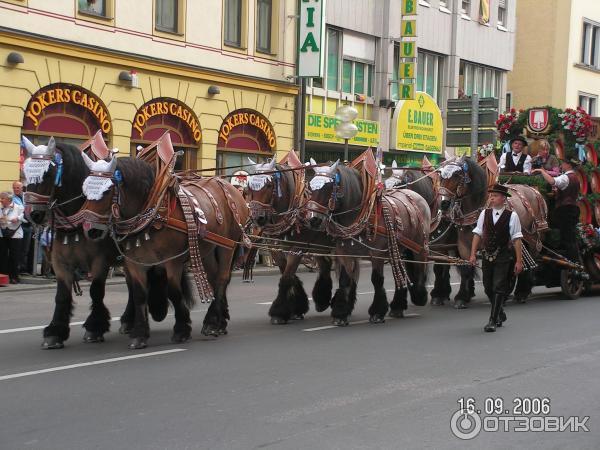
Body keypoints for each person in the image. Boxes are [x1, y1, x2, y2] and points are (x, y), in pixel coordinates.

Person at [469, 184, 524, 332]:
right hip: (487, 255)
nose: (491, 198)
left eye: (495, 196)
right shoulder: (484, 214)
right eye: (491, 195)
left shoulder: (512, 216)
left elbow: (517, 239)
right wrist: (473, 254)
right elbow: (477, 234)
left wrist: (519, 261)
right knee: (488, 287)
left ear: (503, 198)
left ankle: (492, 320)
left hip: (503, 255)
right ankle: (500, 312)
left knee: (498, 286)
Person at [532, 157, 580, 262]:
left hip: (565, 210)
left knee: (567, 237)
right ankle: (572, 261)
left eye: (563, 163)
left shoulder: (566, 177)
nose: (561, 165)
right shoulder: (575, 177)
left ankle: (572, 263)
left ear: (568, 165)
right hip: (573, 208)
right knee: (569, 236)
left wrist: (541, 171)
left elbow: (552, 181)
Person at [0, 191, 25, 284]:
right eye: (1, 198)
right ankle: (3, 276)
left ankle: (14, 277)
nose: (1, 200)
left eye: (3, 198)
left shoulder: (18, 207)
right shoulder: (0, 207)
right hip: (2, 233)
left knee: (14, 256)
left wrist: (17, 219)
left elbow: (23, 218)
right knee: (2, 256)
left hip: (15, 234)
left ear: (9, 200)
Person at [12, 180, 33, 274]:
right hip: (19, 225)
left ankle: (24, 268)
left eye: (18, 187)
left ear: (22, 188)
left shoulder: (27, 196)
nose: (16, 189)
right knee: (18, 248)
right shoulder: (12, 198)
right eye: (14, 187)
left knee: (26, 248)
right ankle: (18, 268)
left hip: (28, 225)